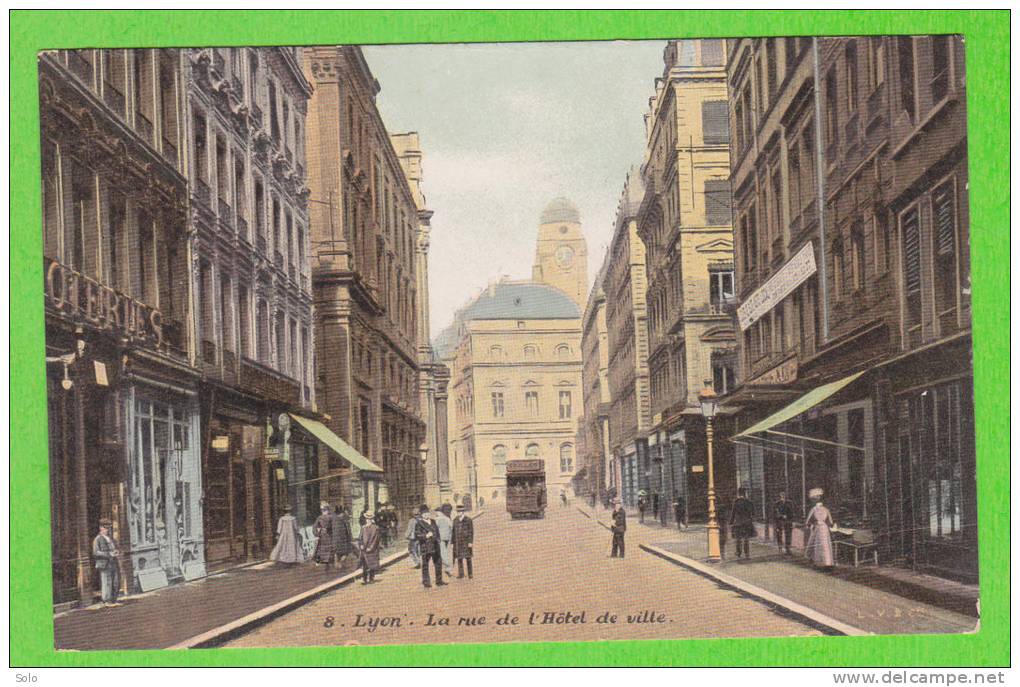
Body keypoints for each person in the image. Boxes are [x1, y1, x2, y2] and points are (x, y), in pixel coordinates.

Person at [92, 518, 121, 607]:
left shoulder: (110, 538)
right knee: (106, 582)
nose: (107, 530)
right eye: (106, 528)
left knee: (115, 581)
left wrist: (116, 552)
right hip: (104, 564)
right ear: (101, 528)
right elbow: (96, 552)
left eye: (108, 528)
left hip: (113, 563)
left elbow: (115, 548)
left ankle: (113, 600)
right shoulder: (98, 539)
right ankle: (107, 601)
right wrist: (109, 554)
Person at [415, 505, 445, 588]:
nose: (426, 515)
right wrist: (426, 536)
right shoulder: (419, 524)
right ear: (421, 515)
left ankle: (439, 581)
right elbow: (417, 535)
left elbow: (437, 531)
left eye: (427, 513)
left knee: (438, 563)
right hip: (425, 547)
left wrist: (438, 539)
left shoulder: (433, 521)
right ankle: (426, 582)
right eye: (424, 513)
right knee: (425, 565)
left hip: (435, 545)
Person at [804, 489, 835, 569]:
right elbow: (831, 522)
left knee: (817, 545)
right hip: (825, 529)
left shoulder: (813, 510)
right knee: (826, 546)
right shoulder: (826, 510)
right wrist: (830, 525)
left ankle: (818, 562)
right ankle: (828, 563)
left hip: (818, 529)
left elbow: (808, 521)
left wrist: (810, 525)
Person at [730, 487, 756, 560]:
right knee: (746, 539)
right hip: (747, 523)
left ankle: (738, 553)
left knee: (738, 539)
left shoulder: (736, 502)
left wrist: (731, 522)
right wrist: (750, 518)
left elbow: (733, 513)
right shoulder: (749, 502)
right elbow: (753, 513)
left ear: (739, 493)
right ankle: (747, 554)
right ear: (745, 494)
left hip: (738, 523)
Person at [357, 511, 381, 583]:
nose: (368, 520)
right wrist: (361, 544)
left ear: (372, 519)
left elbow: (376, 539)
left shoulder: (375, 528)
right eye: (367, 518)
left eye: (370, 519)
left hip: (372, 549)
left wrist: (371, 547)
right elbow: (360, 537)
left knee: (371, 563)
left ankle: (371, 577)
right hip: (364, 548)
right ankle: (364, 579)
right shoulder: (363, 528)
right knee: (364, 564)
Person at [452, 505, 474, 579]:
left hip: (466, 541)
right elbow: (453, 532)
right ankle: (461, 574)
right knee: (459, 558)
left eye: (460, 511)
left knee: (468, 558)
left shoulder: (468, 520)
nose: (458, 513)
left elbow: (471, 531)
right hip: (458, 542)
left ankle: (470, 574)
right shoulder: (455, 520)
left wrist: (470, 542)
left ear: (463, 512)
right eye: (457, 511)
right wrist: (452, 542)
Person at [436, 504, 454, 576]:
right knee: (444, 553)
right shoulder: (447, 518)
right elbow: (451, 527)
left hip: (442, 539)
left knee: (444, 553)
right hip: (445, 538)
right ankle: (446, 567)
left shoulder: (438, 519)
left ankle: (447, 568)